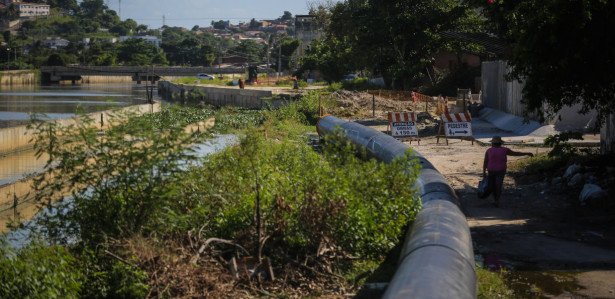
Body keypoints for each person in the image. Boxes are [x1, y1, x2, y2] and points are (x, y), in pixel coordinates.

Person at [482, 136, 534, 207]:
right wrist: (526, 153)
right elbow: (516, 153)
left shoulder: (489, 150)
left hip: (492, 171)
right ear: (500, 143)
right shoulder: (504, 150)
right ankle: (496, 200)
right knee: (498, 185)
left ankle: (495, 200)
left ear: (493, 143)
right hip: (500, 171)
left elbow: (485, 162)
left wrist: (484, 171)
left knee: (492, 186)